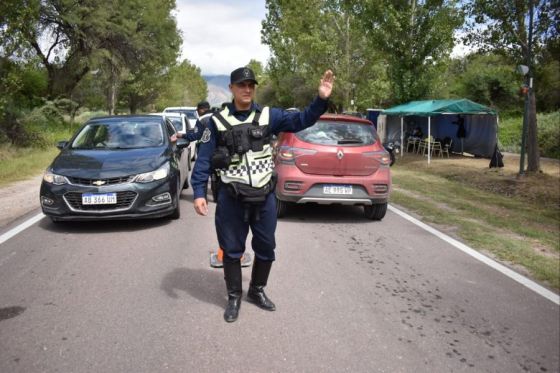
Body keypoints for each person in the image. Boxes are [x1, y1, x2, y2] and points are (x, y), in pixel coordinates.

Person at [190, 66, 334, 322]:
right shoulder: (216, 121)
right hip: (231, 198)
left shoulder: (271, 116)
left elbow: (303, 120)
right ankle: (234, 297)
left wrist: (321, 99)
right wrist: (199, 191)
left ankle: (256, 290)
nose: (247, 89)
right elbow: (203, 159)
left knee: (266, 247)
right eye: (241, 85)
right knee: (231, 250)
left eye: (251, 85)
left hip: (264, 196)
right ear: (232, 89)